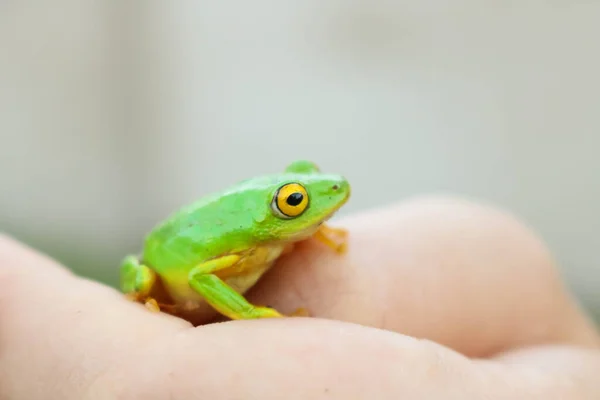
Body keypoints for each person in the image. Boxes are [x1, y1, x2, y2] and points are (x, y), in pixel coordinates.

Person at [1, 196, 599, 399]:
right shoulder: (240, 248)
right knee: (139, 279)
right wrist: (253, 317)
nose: (328, 195)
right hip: (162, 267)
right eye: (294, 202)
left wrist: (304, 230)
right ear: (273, 211)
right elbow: (207, 279)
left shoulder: (272, 237)